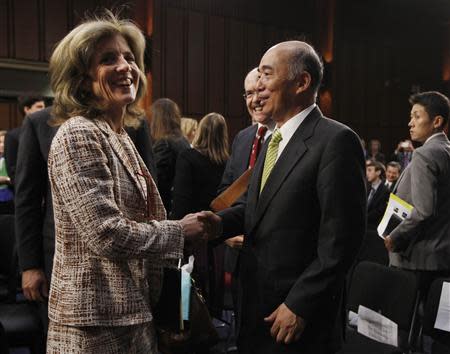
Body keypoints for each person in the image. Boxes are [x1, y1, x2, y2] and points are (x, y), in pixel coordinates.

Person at [44, 12, 207, 352]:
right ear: (80, 77)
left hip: (131, 313)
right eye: (108, 59)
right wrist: (178, 232)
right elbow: (105, 234)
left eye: (130, 57)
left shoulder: (118, 133)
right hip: (95, 324)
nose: (125, 67)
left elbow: (141, 219)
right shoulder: (79, 133)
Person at [207, 41, 366, 354]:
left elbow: (342, 241)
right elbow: (255, 209)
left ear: (301, 82)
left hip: (297, 318)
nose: (258, 84)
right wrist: (215, 225)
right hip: (255, 304)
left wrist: (300, 304)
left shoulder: (336, 141)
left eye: (267, 74)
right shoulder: (273, 139)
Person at [217, 67, 274, 321]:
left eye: (260, 91)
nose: (254, 100)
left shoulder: (286, 140)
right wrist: (227, 232)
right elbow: (225, 194)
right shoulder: (242, 137)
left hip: (273, 266)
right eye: (248, 93)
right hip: (238, 260)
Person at [385, 91, 450, 298]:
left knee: (408, 324)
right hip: (440, 255)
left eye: (417, 116)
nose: (410, 123)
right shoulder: (445, 149)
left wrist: (394, 236)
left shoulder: (425, 154)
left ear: (437, 121)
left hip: (418, 257)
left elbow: (424, 211)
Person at [172, 112, 229, 321]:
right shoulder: (228, 162)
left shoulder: (188, 157)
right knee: (213, 291)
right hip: (218, 235)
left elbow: (181, 199)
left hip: (193, 234)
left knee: (189, 296)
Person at [150, 98, 190, 213]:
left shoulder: (165, 143)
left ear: (158, 119)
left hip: (166, 206)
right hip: (180, 204)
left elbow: (157, 182)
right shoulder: (183, 140)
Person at [4, 95, 46, 185]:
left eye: (44, 107)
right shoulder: (13, 136)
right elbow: (13, 171)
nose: (44, 110)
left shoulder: (46, 132)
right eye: (39, 107)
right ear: (27, 109)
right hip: (28, 190)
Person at [366, 160, 390, 228]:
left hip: (373, 227)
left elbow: (378, 212)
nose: (367, 173)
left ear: (378, 172)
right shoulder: (367, 186)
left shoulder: (385, 191)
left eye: (370, 170)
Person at [0, 130, 13, 214]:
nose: (1, 145)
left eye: (4, 142)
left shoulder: (12, 159)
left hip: (8, 199)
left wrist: (7, 179)